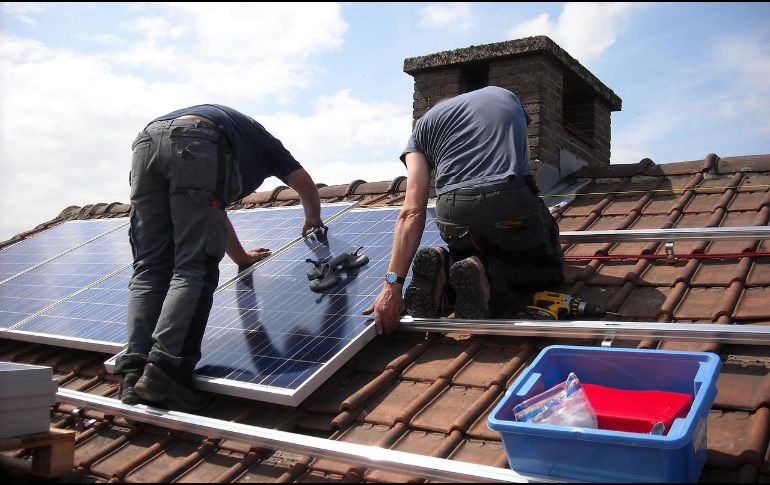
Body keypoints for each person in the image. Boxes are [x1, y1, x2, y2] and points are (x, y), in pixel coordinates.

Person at [114, 104, 326, 411]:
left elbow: (211, 212)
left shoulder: (239, 137)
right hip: (196, 140)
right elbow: (305, 184)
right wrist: (313, 218)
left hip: (146, 143)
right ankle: (165, 372)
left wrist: (240, 256)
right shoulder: (267, 145)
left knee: (149, 268)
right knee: (193, 268)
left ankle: (133, 375)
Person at [366, 86, 564, 335]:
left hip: (454, 212)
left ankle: (445, 266)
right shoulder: (504, 95)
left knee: (468, 252)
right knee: (548, 269)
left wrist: (392, 285)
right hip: (509, 198)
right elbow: (524, 167)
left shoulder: (422, 128)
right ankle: (488, 280)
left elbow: (412, 210)